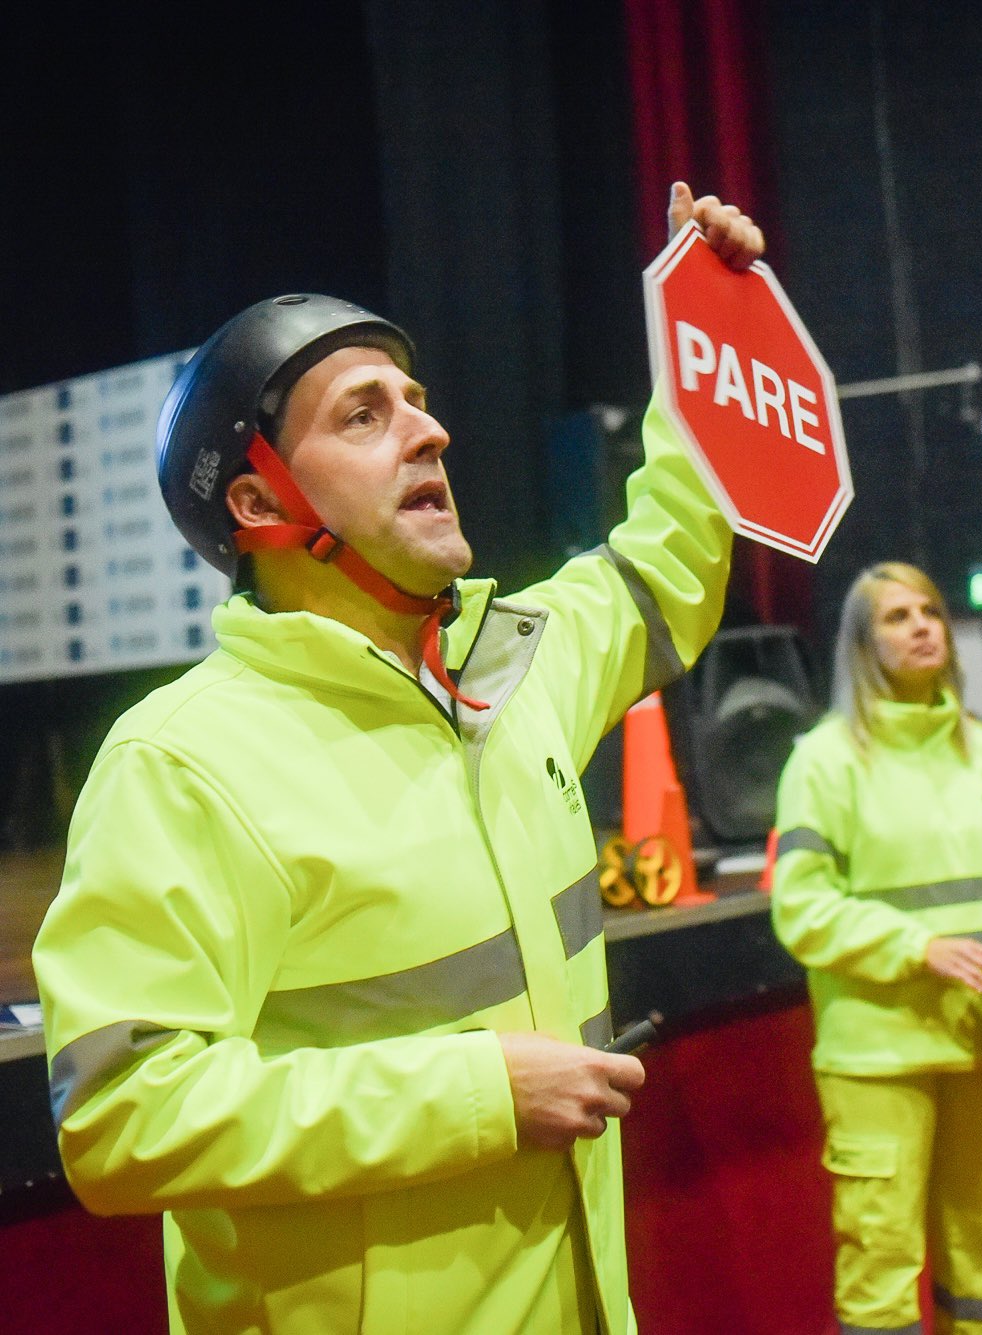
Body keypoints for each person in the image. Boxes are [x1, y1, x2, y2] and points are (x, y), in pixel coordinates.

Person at [32, 182, 764, 1335]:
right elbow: (122, 1119)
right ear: (260, 499)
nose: (431, 430)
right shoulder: (180, 763)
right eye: (365, 415)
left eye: (418, 403)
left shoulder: (512, 672)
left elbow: (666, 565)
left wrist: (706, 331)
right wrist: (476, 1095)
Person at [769, 561, 982, 1335]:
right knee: (879, 1263)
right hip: (876, 1054)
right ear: (861, 645)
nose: (923, 624)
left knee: (981, 1258)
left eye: (930, 609)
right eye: (896, 616)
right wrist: (917, 946)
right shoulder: (822, 760)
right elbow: (800, 907)